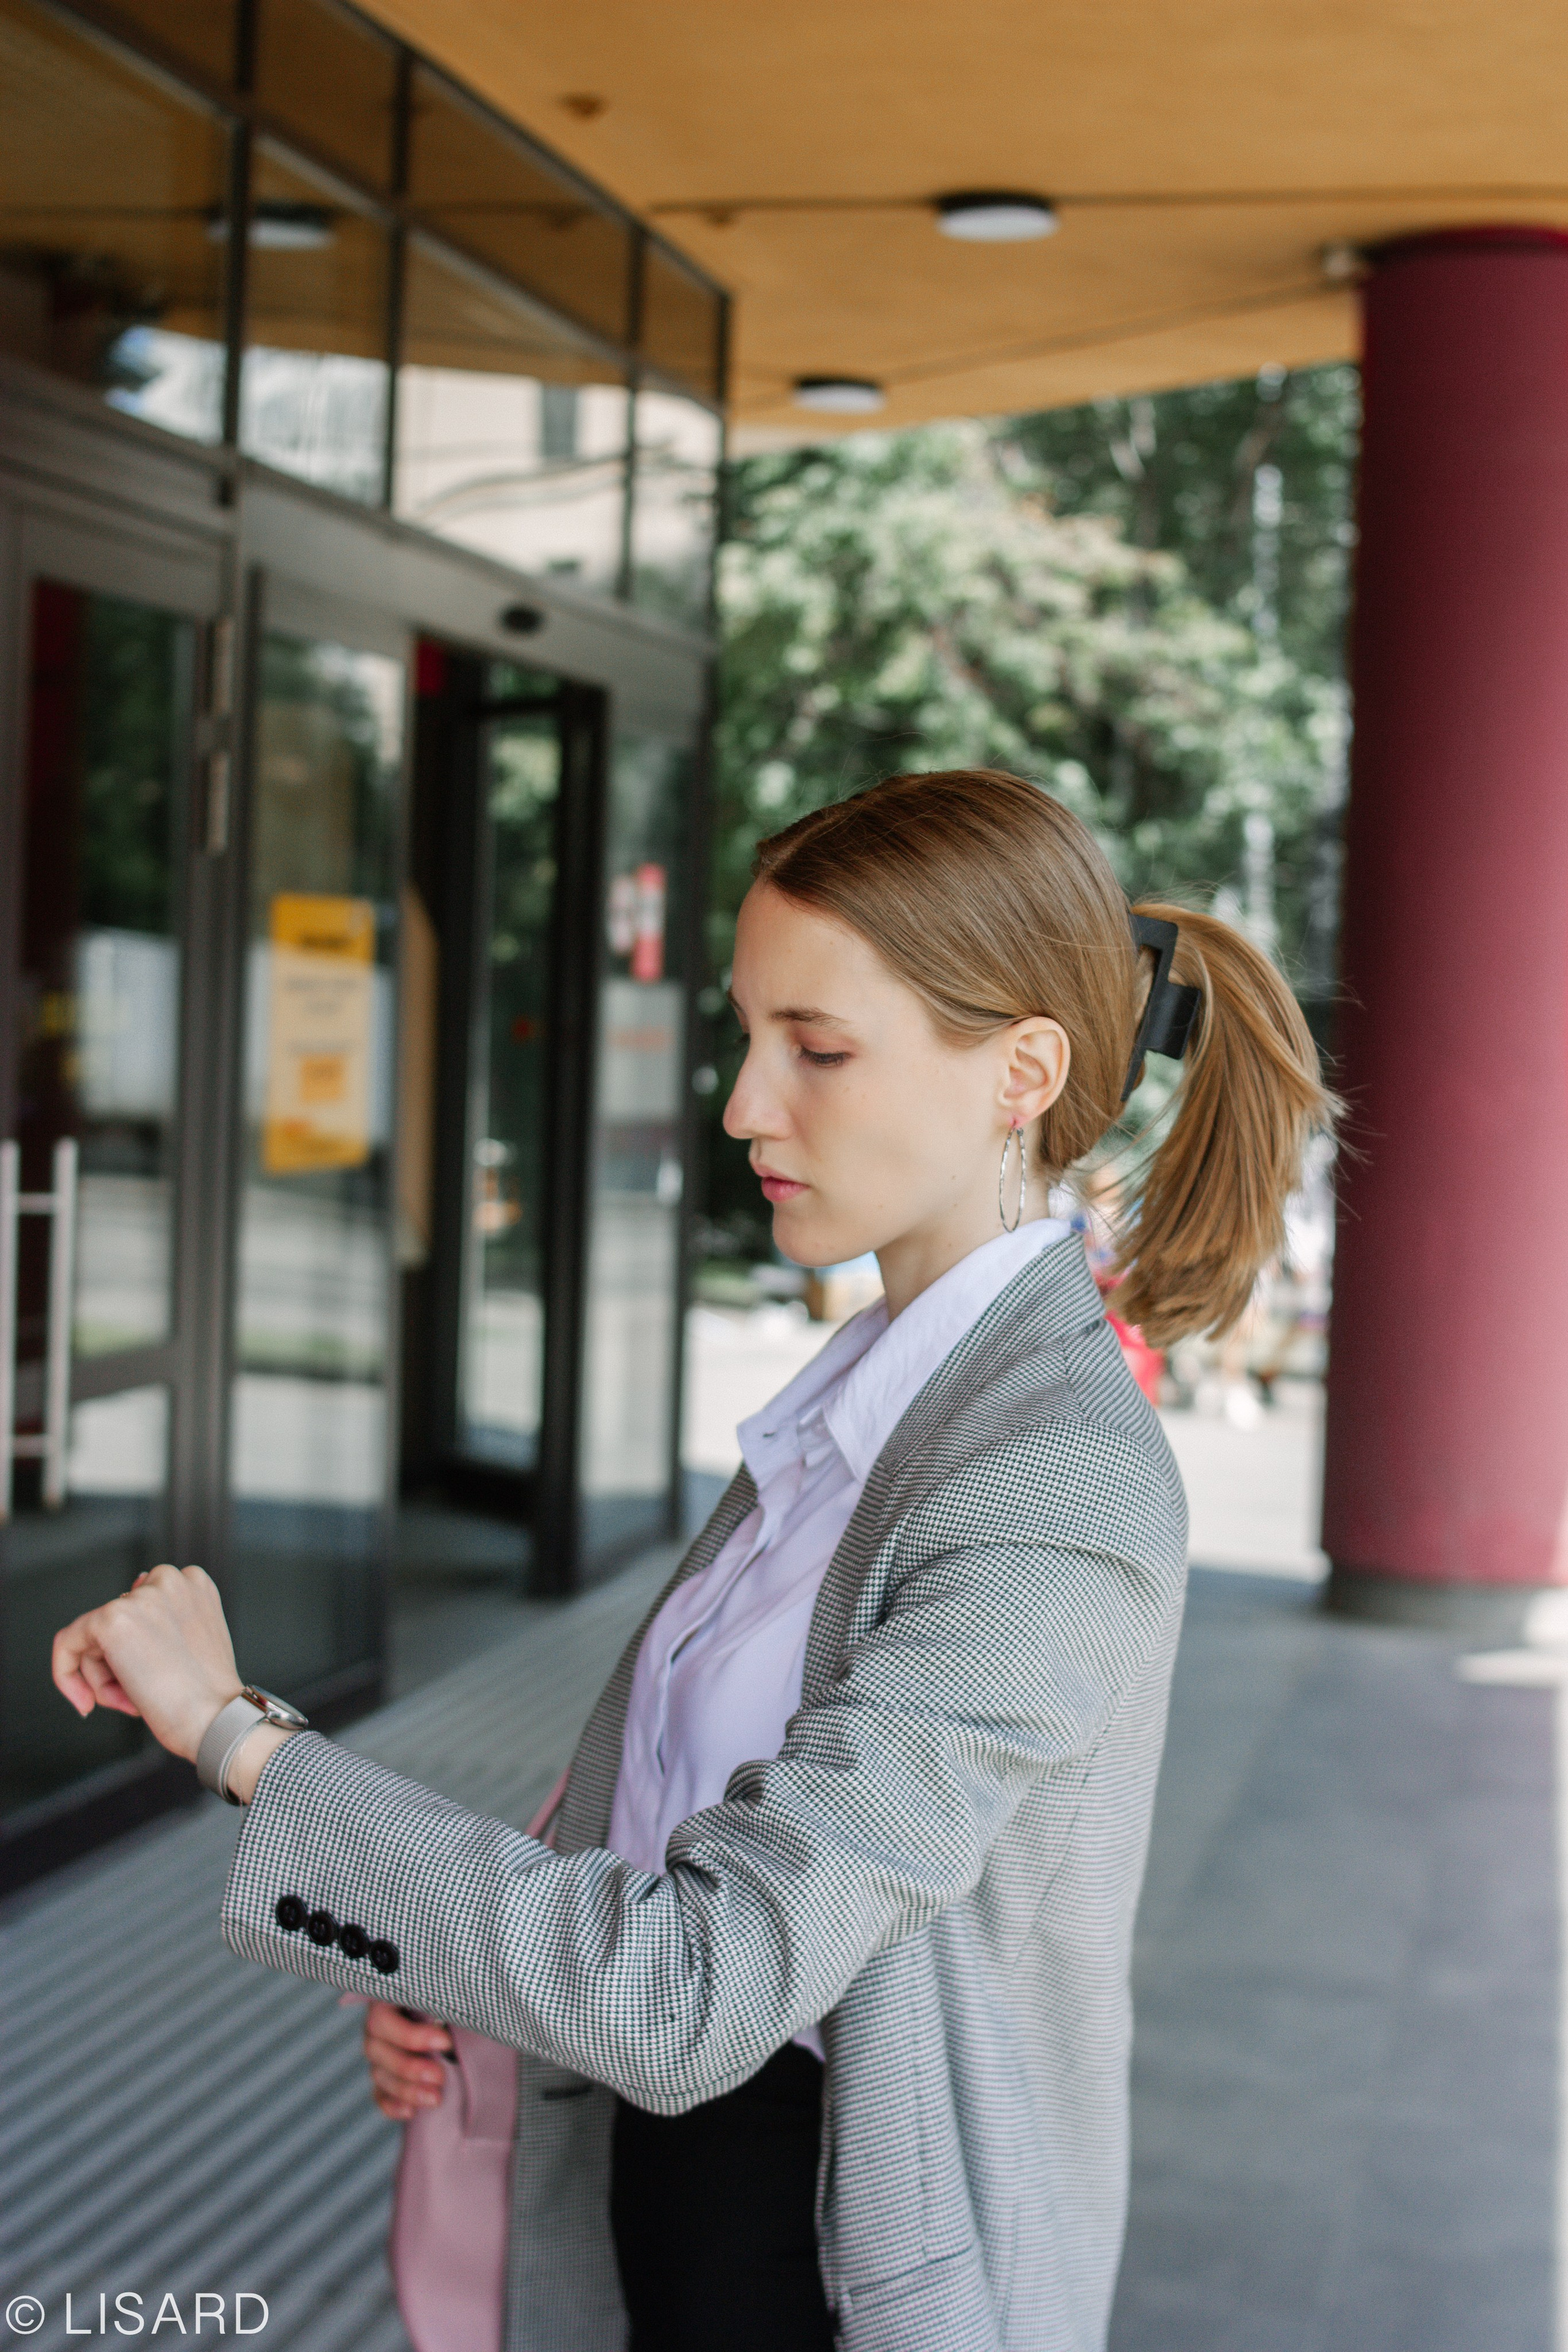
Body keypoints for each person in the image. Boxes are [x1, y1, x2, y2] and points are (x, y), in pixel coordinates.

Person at [52, 770, 1333, 2352]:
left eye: (818, 1049)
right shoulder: (867, 1409)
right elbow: (656, 1831)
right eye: (749, 1034)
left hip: (827, 2269)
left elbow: (701, 1983)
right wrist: (465, 1985)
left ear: (1025, 1071)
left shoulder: (1044, 1480)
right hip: (666, 2209)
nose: (741, 1102)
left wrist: (239, 1740)